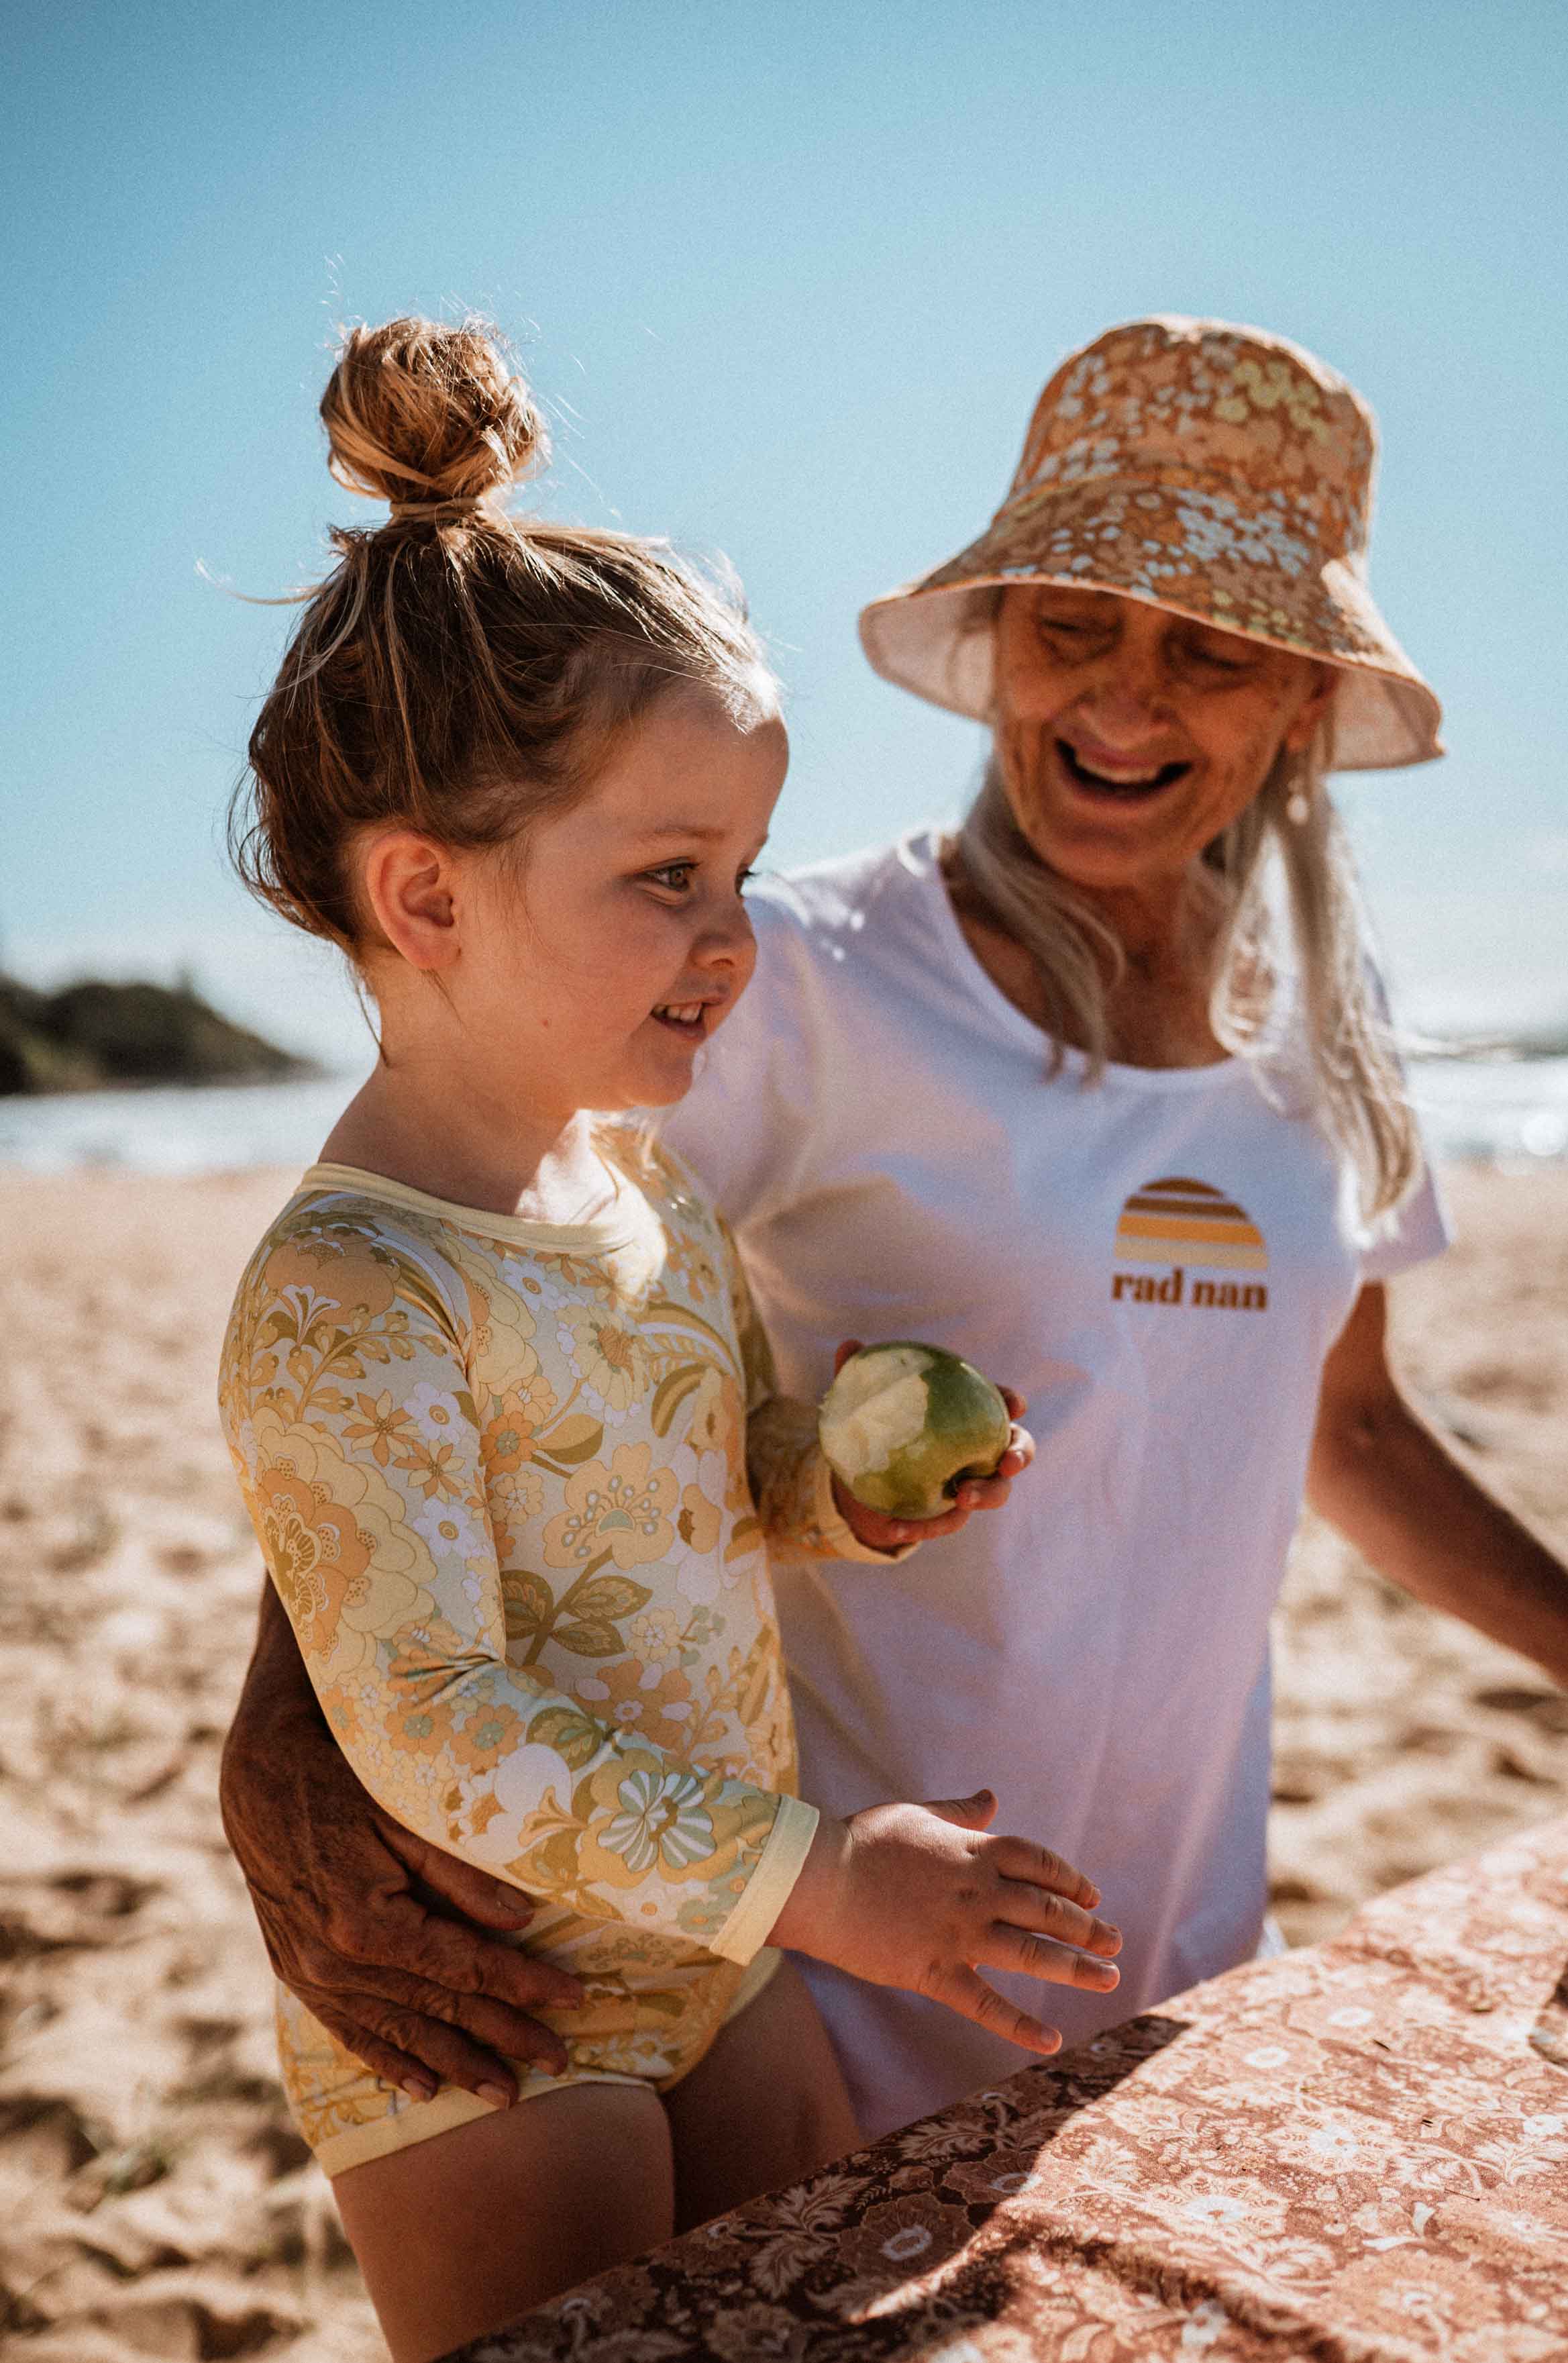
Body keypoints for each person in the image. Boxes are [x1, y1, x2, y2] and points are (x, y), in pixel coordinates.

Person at [219, 315, 1568, 2164]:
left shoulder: (1330, 1040)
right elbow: (476, 1278)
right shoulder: (807, 981)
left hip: (1167, 1944)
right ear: (996, 634)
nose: (1119, 699)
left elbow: (1347, 1431)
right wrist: (274, 1731)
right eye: (1071, 623)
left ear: (1306, 706)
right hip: (812, 1966)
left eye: (1208, 650)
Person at [217, 315, 1122, 2361]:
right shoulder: (352, 1289)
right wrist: (822, 1880)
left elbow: (711, 1484)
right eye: (665, 878)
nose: (734, 940)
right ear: (425, 900)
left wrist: (839, 1484)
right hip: (492, 2016)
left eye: (743, 871)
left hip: (715, 1957)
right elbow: (433, 1720)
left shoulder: (644, 1191)